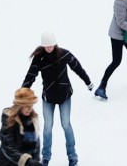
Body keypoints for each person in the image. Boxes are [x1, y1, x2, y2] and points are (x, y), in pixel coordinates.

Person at [21, 32, 92, 166]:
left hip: (64, 96)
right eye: (46, 45)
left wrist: (88, 82)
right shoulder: (39, 58)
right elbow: (31, 75)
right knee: (47, 127)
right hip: (48, 97)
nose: (48, 48)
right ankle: (46, 157)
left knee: (66, 125)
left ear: (55, 44)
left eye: (50, 45)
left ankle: (72, 156)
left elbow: (77, 67)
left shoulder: (64, 54)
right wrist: (23, 90)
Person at [0, 88, 43, 166]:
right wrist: (27, 161)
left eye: (31, 105)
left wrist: (36, 161)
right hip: (7, 163)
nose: (30, 109)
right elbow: (8, 147)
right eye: (27, 106)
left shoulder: (32, 119)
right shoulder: (9, 120)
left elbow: (36, 144)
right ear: (20, 105)